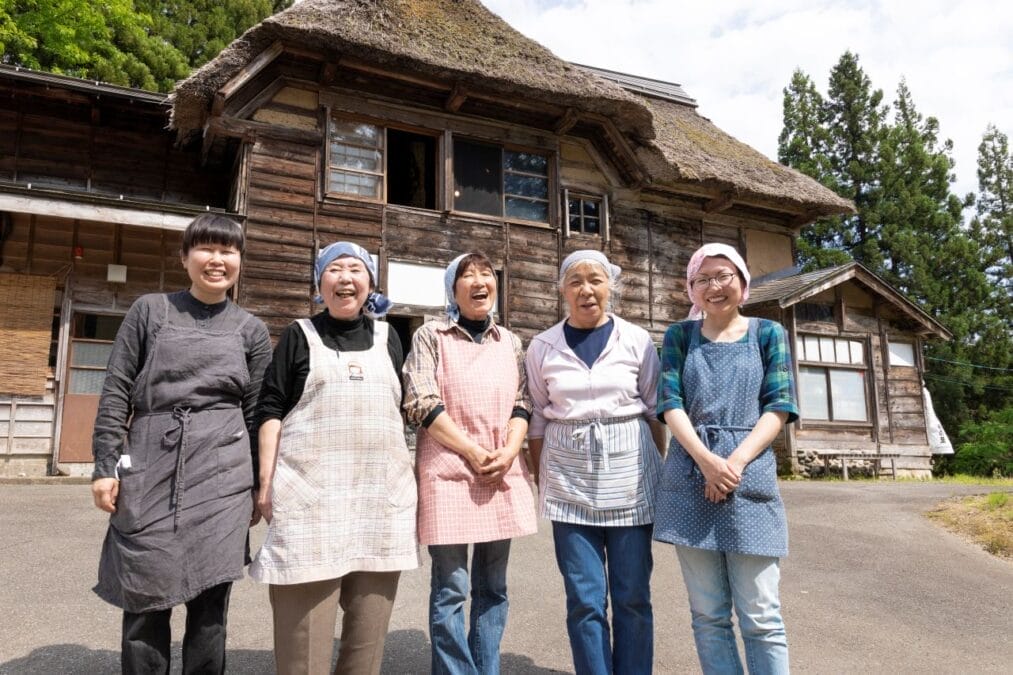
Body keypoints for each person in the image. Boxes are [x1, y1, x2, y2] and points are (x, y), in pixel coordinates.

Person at [91, 213, 273, 674]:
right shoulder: (150, 311)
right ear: (185, 258)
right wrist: (104, 465)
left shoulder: (251, 330)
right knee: (145, 591)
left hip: (223, 469)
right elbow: (115, 389)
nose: (217, 259)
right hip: (151, 459)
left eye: (228, 250)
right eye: (206, 249)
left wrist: (258, 484)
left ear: (240, 261)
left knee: (211, 601)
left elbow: (257, 414)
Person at [250, 241, 418, 675]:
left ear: (370, 283)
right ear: (319, 283)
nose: (346, 278)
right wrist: (265, 482)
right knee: (302, 649)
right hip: (312, 504)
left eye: (356, 270)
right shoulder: (298, 335)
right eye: (335, 270)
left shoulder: (390, 337)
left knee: (367, 643)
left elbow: (405, 409)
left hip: (378, 504)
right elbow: (270, 408)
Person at [654, 243, 799, 675]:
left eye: (723, 276)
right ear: (691, 288)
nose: (714, 287)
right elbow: (669, 403)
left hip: (748, 474)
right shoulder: (679, 336)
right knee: (708, 616)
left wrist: (731, 463)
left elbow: (779, 406)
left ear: (742, 281)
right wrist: (705, 460)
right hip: (688, 471)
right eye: (703, 279)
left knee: (762, 616)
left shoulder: (768, 333)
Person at [525, 249, 666, 675]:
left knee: (632, 596)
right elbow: (535, 418)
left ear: (611, 287)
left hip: (630, 475)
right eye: (576, 281)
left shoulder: (638, 340)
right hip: (568, 480)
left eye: (596, 280)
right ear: (562, 290)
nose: (587, 290)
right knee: (584, 599)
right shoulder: (542, 346)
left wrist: (653, 472)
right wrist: (540, 478)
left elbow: (655, 410)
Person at [402, 251, 538, 675]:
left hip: (500, 470)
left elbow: (523, 401)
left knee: (493, 587)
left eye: (486, 274)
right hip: (449, 473)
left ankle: (487, 667)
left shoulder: (510, 341)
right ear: (453, 289)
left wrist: (510, 450)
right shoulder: (431, 336)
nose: (480, 282)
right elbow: (420, 402)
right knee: (451, 588)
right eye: (467, 275)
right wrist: (474, 452)